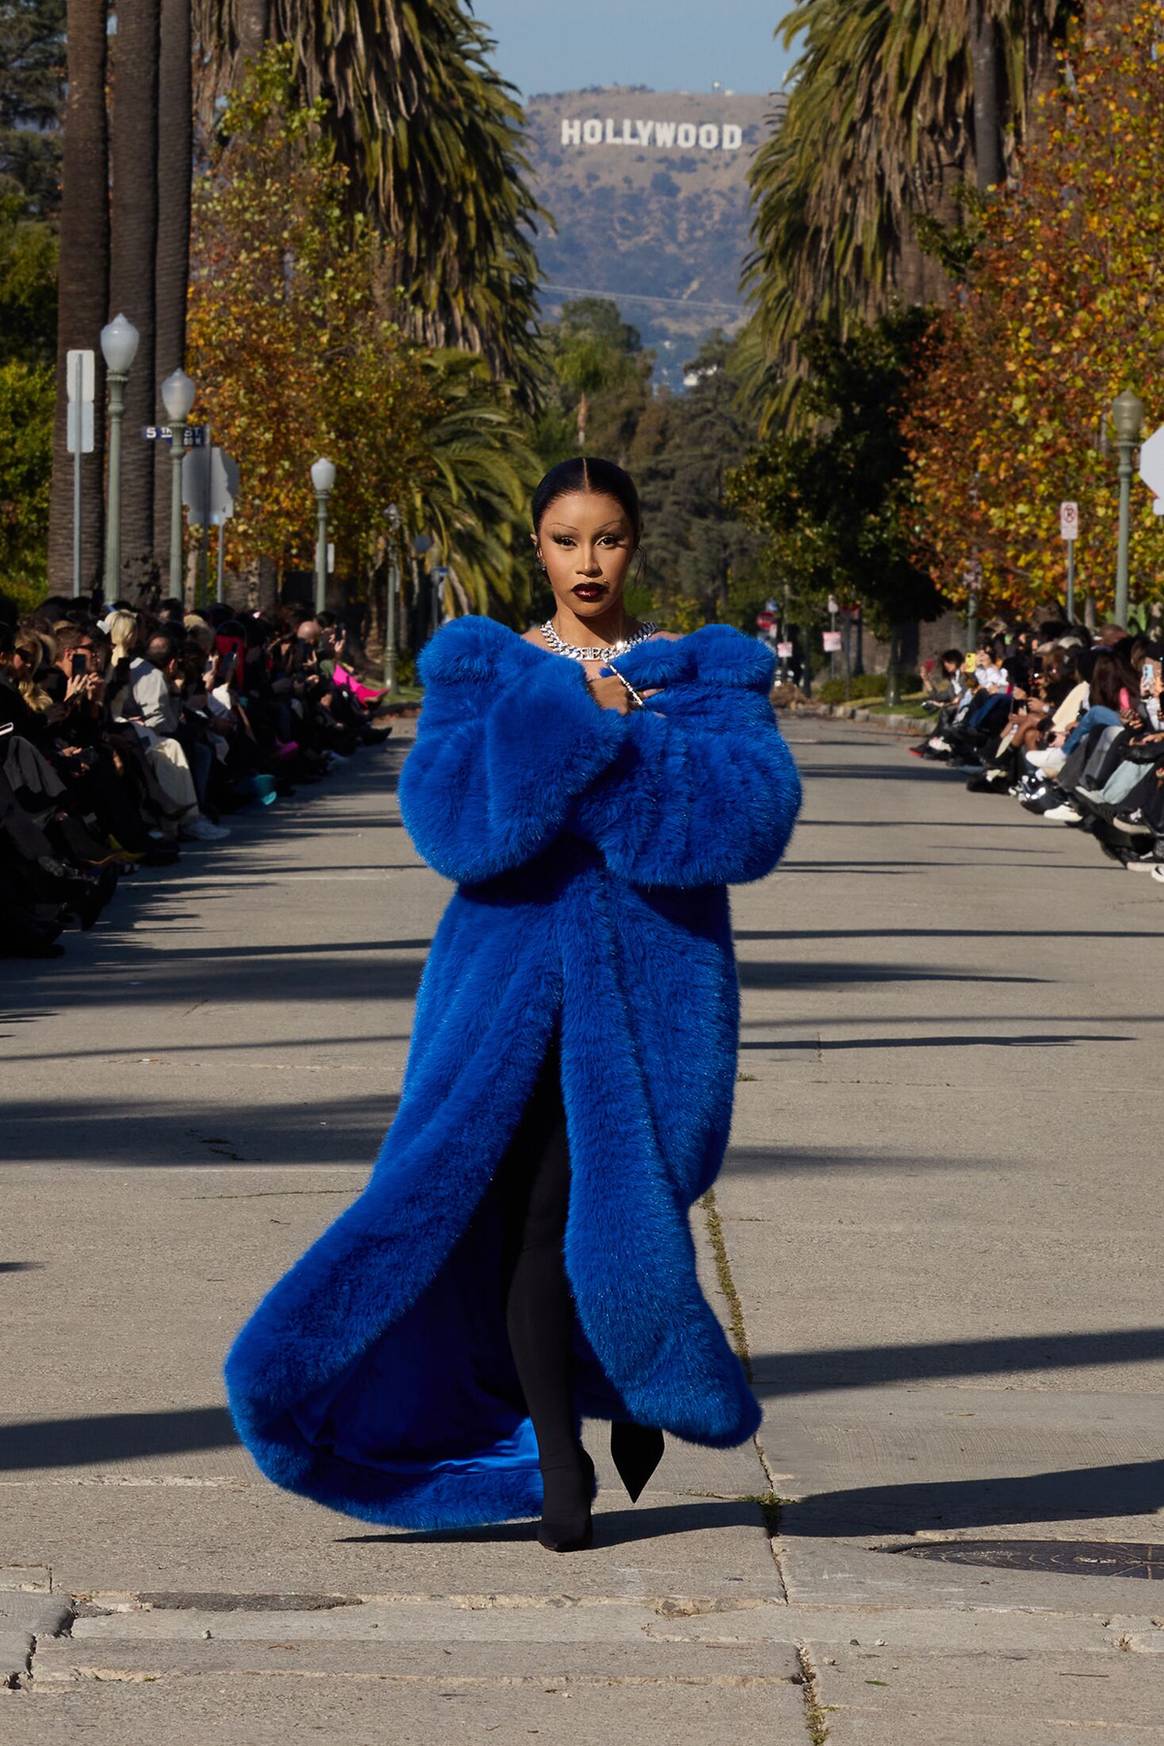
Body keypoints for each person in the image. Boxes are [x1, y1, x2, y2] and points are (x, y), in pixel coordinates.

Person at [225, 456, 803, 1553]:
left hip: (653, 1004)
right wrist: (569, 722)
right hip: (499, 1000)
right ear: (534, 546)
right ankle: (559, 1461)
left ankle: (617, 1395)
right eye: (565, 538)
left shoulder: (708, 677)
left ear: (640, 543)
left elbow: (740, 827)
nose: (589, 562)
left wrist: (624, 730)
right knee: (515, 1225)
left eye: (610, 537)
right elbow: (457, 828)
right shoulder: (481, 670)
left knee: (624, 1216)